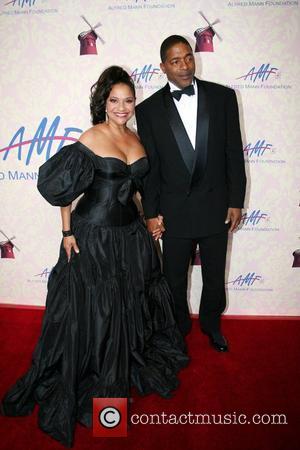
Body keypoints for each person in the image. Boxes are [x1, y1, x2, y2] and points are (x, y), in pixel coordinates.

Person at [0, 66, 189, 447]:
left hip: (131, 236)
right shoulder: (91, 137)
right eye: (114, 100)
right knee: (98, 311)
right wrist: (67, 232)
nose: (122, 107)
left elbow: (134, 190)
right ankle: (103, 392)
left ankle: (119, 370)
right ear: (102, 102)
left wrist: (150, 218)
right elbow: (65, 192)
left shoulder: (136, 137)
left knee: (126, 306)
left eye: (128, 100)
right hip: (94, 237)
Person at [135, 35, 246, 352]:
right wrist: (151, 213)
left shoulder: (223, 97)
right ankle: (178, 328)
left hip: (215, 206)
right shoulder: (148, 110)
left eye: (188, 58)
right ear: (163, 66)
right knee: (173, 280)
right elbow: (152, 168)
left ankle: (212, 326)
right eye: (175, 60)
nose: (184, 65)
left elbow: (233, 154)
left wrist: (235, 201)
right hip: (173, 211)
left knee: (214, 275)